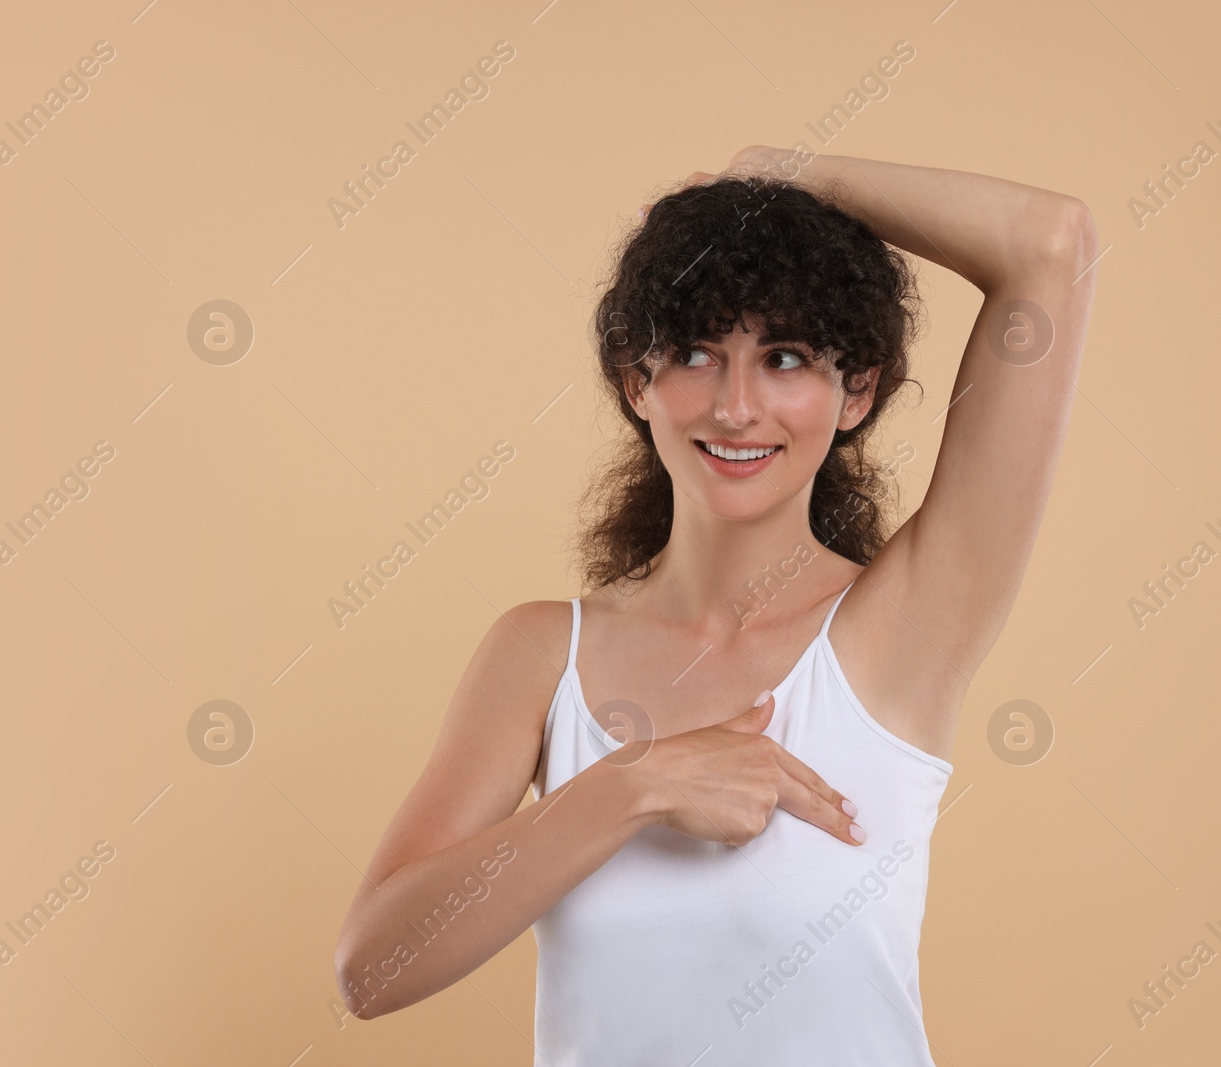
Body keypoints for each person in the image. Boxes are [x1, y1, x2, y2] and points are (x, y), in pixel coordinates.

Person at [332, 145, 1097, 1064]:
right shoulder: (542, 653)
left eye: (784, 357)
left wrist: (781, 172)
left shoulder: (905, 630)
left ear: (855, 391)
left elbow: (1052, 243)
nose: (737, 406)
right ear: (636, 382)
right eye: (695, 352)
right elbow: (372, 967)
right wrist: (636, 783)